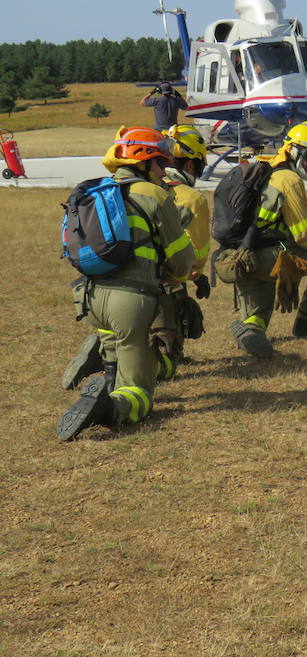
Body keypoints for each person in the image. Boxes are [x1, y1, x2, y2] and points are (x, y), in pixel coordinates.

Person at [57, 126, 194, 441]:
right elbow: (181, 260)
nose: (164, 171)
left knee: (113, 349)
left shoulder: (95, 190)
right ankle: (112, 408)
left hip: (89, 296)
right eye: (161, 163)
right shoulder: (155, 194)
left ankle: (107, 384)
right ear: (144, 162)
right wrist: (177, 276)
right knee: (140, 391)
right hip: (130, 302)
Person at [217, 121, 307, 358]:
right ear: (293, 150)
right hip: (267, 259)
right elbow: (305, 234)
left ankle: (250, 330)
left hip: (239, 259)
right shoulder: (289, 180)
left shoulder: (264, 169)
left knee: (258, 316)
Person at [149, 124, 212, 380]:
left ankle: (109, 352)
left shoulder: (137, 187)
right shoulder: (190, 197)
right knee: (166, 364)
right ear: (189, 166)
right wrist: (196, 274)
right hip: (165, 283)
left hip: (123, 280)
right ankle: (162, 358)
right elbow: (194, 256)